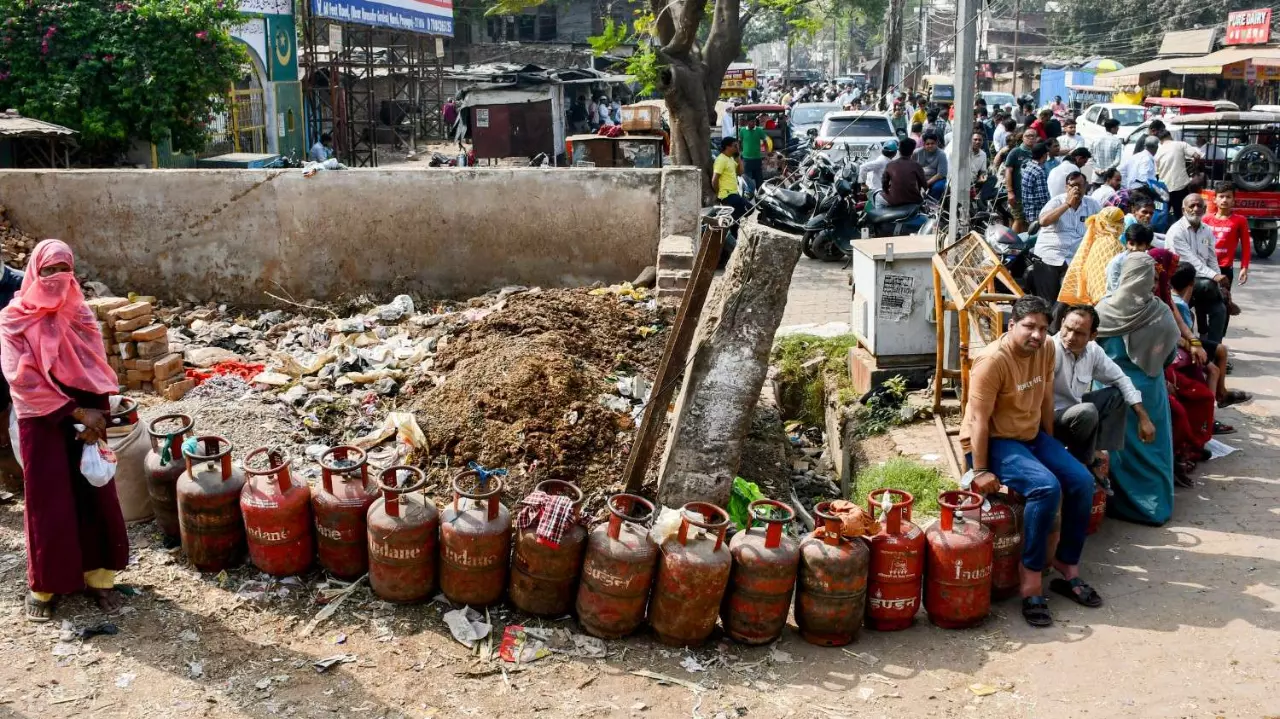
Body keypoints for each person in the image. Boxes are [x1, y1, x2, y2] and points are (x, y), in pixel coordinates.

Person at [3, 240, 128, 621]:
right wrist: (76, 412)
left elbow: (97, 368)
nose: (56, 278)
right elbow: (22, 379)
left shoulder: (81, 314)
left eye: (63, 270)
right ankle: (46, 585)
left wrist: (98, 416)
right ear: (34, 272)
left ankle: (100, 579)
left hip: (88, 418)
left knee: (94, 496)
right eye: (48, 271)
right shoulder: (14, 318)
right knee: (48, 502)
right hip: (41, 419)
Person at [959, 295, 1100, 627]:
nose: (1037, 335)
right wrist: (979, 470)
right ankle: (1031, 575)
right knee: (1045, 487)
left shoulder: (1047, 349)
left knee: (1081, 481)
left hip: (1030, 436)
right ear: (1012, 326)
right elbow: (978, 420)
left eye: (1042, 327)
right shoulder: (992, 360)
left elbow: (1046, 398)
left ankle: (1067, 565)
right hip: (992, 440)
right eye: (1029, 327)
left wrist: (1052, 446)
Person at [1095, 253, 1181, 525]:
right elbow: (1169, 355)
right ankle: (1156, 507)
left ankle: (1122, 503)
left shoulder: (1102, 311)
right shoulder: (1160, 312)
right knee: (1152, 452)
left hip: (1111, 392)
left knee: (1121, 452)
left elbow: (1090, 354)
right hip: (1149, 391)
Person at [1053, 304, 1153, 481]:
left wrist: (1143, 417)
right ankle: (1085, 462)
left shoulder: (1093, 351)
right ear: (1061, 323)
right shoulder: (1050, 349)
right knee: (1087, 411)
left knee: (1116, 395)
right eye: (1067, 329)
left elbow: (1121, 379)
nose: (1070, 337)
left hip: (1077, 413)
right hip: (1051, 418)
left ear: (1093, 336)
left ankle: (1094, 453)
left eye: (1079, 333)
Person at [1167, 194, 1228, 346]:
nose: (1196, 209)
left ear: (1205, 209)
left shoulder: (1206, 230)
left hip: (1201, 282)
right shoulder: (1176, 231)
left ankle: (1213, 350)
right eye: (1191, 206)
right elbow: (1191, 262)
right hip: (1180, 282)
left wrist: (1219, 278)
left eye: (1199, 206)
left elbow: (1212, 258)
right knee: (1209, 285)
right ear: (1183, 209)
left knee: (1220, 309)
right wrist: (1215, 277)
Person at [1032, 170, 1101, 305]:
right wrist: (1067, 204)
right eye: (1072, 185)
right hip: (1050, 255)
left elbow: (1103, 225)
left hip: (1075, 259)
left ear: (1086, 186)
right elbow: (1043, 221)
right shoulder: (1057, 201)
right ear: (1066, 187)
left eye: (1080, 185)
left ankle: (1057, 323)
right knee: (1047, 302)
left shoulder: (1092, 204)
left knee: (1068, 299)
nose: (1076, 189)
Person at [1058, 206, 1126, 307]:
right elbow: (1105, 276)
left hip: (1092, 296)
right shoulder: (1111, 243)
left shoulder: (1097, 239)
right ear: (1107, 223)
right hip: (1103, 300)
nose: (1122, 226)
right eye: (1119, 222)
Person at [1202, 181, 1250, 320]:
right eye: (1221, 196)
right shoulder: (1206, 219)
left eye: (1228, 197)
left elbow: (1246, 246)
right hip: (1207, 268)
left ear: (1234, 200)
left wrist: (1244, 268)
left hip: (1225, 269)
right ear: (1215, 199)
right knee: (1203, 303)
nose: (1225, 200)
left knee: (1224, 303)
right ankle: (1205, 334)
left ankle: (1219, 337)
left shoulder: (1239, 220)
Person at [1154, 131, 1203, 220]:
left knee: (1162, 213)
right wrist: (1194, 165)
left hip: (1164, 187)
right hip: (1180, 185)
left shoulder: (1158, 151)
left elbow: (1156, 172)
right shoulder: (1181, 144)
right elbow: (1197, 156)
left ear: (1160, 141)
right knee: (1181, 213)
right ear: (1170, 136)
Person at [1004, 128, 1040, 233]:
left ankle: (1023, 245)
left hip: (1032, 194)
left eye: (1033, 136)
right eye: (1028, 136)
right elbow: (1008, 171)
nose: (1031, 138)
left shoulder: (1037, 152)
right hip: (1017, 193)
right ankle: (1012, 246)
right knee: (1018, 220)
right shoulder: (1016, 152)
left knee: (1027, 221)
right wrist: (1010, 192)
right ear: (1022, 138)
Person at [881, 137, 928, 208]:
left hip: (895, 201)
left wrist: (887, 192)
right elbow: (924, 185)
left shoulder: (890, 165)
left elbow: (884, 184)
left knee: (876, 197)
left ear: (899, 150)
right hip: (914, 200)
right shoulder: (916, 165)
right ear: (912, 151)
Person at [713, 136, 746, 220]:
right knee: (748, 209)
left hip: (734, 193)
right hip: (726, 195)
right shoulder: (721, 160)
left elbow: (740, 172)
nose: (737, 148)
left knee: (736, 218)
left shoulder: (730, 158)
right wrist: (719, 194)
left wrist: (738, 155)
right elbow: (714, 180)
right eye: (735, 146)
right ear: (728, 147)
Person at [1021, 142, 1051, 227]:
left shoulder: (1027, 165)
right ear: (1044, 155)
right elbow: (1044, 197)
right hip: (1037, 212)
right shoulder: (1039, 171)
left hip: (1028, 209)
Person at [913, 132, 949, 201]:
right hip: (920, 178)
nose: (930, 146)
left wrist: (926, 183)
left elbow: (940, 174)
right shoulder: (917, 153)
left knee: (938, 188)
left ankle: (931, 206)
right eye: (927, 144)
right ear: (924, 144)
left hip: (936, 179)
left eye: (932, 143)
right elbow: (912, 168)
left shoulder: (941, 154)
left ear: (936, 143)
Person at [737, 116, 769, 193]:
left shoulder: (759, 130)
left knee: (759, 179)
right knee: (747, 179)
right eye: (751, 121)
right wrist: (739, 153)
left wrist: (767, 153)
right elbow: (739, 142)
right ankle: (749, 195)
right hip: (746, 160)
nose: (753, 123)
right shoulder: (742, 130)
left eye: (754, 121)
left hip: (757, 159)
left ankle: (760, 194)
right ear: (747, 122)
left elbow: (765, 142)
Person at [1088, 118, 1125, 184]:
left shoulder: (1095, 139)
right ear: (1113, 128)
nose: (1118, 129)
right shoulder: (1117, 141)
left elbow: (1089, 157)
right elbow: (1117, 161)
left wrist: (1097, 170)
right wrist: (1106, 170)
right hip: (1110, 178)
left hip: (1097, 177)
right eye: (1117, 127)